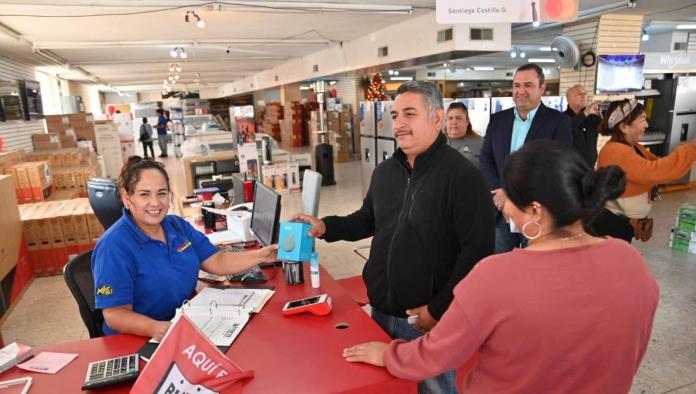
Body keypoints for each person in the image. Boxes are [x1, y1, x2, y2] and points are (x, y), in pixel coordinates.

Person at [343, 141, 659, 394]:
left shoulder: (497, 276)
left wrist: (388, 354)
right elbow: (631, 352)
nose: (502, 203)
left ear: (535, 210)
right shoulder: (630, 262)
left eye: (507, 195)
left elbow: (437, 354)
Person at [293, 81, 495, 394]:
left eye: (409, 114)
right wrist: (325, 226)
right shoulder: (386, 171)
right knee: (389, 388)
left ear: (437, 119)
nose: (398, 123)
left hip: (426, 318)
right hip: (380, 309)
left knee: (435, 389)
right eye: (395, 114)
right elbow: (367, 220)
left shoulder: (464, 178)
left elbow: (477, 255)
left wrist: (437, 309)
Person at [92, 156, 278, 340]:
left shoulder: (176, 226)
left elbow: (217, 261)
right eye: (144, 194)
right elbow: (115, 314)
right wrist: (157, 328)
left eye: (162, 193)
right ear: (126, 196)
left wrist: (260, 256)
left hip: (184, 322)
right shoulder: (113, 247)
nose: (155, 202)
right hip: (139, 339)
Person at [480, 63, 572, 253]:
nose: (521, 91)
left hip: (537, 212)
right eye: (516, 85)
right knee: (500, 268)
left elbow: (558, 166)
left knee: (535, 271)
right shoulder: (498, 120)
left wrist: (514, 195)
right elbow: (486, 158)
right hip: (501, 211)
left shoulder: (558, 122)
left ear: (542, 88)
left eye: (528, 85)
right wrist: (501, 192)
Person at [589, 99, 696, 243]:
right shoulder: (616, 151)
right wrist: (692, 149)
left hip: (621, 224)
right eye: (642, 120)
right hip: (612, 225)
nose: (646, 125)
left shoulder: (633, 147)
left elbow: (660, 165)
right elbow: (657, 171)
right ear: (624, 126)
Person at [565, 84, 602, 167]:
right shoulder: (561, 117)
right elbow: (566, 128)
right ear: (569, 99)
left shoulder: (593, 117)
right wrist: (585, 113)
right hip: (569, 169)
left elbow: (606, 129)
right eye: (579, 94)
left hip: (590, 168)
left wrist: (605, 113)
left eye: (585, 93)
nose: (584, 96)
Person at [445, 102, 483, 168]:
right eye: (450, 118)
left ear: (467, 121)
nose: (454, 122)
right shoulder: (436, 141)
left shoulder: (480, 142)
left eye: (458, 118)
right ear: (446, 121)